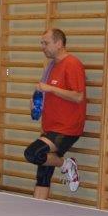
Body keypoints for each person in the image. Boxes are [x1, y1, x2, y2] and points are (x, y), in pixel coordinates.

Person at [24, 28, 85, 199]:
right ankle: (37, 212)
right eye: (41, 43)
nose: (42, 47)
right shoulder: (50, 65)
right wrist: (35, 105)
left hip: (66, 128)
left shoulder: (72, 64)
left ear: (59, 43)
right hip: (50, 126)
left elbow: (78, 96)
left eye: (46, 43)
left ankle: (67, 164)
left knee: (32, 153)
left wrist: (50, 88)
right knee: (42, 176)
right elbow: (46, 95)